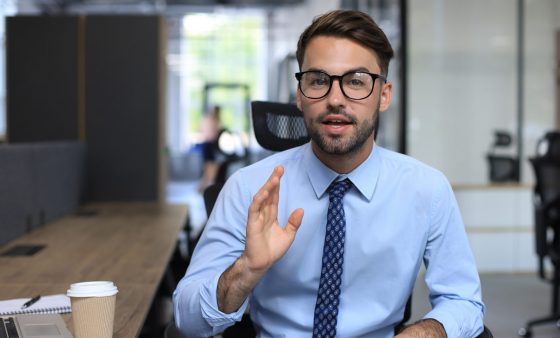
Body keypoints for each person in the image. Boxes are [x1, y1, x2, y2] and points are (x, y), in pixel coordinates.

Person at [174, 9, 485, 338]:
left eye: (355, 81)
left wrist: (425, 332)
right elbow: (186, 320)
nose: (335, 99)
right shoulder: (249, 188)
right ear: (300, 95)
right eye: (319, 80)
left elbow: (464, 301)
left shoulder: (427, 190)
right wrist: (246, 270)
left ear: (384, 95)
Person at [198, 105, 223, 192]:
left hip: (205, 143)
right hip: (210, 144)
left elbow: (201, 130)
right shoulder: (214, 120)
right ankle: (207, 186)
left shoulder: (206, 118)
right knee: (211, 166)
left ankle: (204, 186)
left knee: (208, 166)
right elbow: (215, 133)